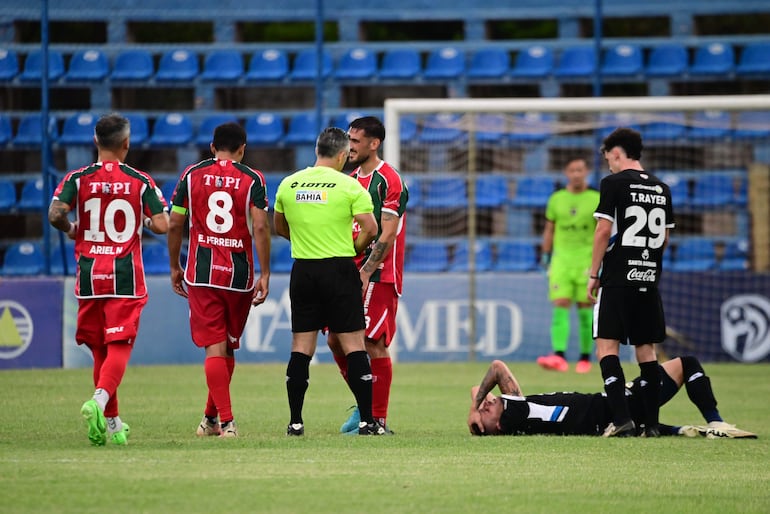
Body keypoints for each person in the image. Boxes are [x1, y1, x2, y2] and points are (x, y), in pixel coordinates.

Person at [48, 113, 169, 446]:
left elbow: (55, 214)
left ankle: (113, 424)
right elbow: (163, 223)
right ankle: (99, 402)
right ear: (127, 144)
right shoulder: (139, 180)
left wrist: (75, 230)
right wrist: (140, 223)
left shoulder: (78, 177)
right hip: (124, 275)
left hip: (89, 274)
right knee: (120, 344)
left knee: (99, 347)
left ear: (95, 142)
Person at [274, 126, 386, 436]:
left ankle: (295, 423)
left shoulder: (289, 184)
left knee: (301, 347)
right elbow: (371, 227)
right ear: (340, 155)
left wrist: (304, 238)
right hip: (339, 269)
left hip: (304, 271)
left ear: (316, 151)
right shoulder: (349, 187)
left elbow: (280, 226)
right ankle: (367, 421)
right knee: (353, 345)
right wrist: (354, 248)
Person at [167, 122, 271, 438]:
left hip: (201, 273)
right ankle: (215, 420)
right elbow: (261, 228)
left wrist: (174, 265)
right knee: (225, 348)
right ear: (243, 149)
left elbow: (174, 224)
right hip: (238, 276)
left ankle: (221, 422)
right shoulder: (253, 178)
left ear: (212, 147)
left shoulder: (191, 175)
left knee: (217, 349)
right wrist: (265, 272)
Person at [587, 127, 675, 438]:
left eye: (608, 159)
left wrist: (593, 273)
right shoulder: (662, 189)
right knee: (646, 350)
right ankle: (650, 425)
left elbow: (602, 231)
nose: (608, 165)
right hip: (648, 278)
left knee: (606, 345)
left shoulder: (612, 183)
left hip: (618, 277)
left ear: (616, 153)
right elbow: (664, 237)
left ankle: (622, 419)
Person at [326, 116, 408, 434]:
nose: (349, 147)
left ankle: (378, 420)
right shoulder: (348, 180)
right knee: (335, 339)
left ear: (374, 144)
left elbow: (387, 234)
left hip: (378, 272)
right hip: (351, 270)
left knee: (372, 342)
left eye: (356, 141)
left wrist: (366, 270)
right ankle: (365, 407)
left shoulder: (389, 180)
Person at [467, 358, 757, 438]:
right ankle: (717, 423)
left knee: (652, 419)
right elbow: (496, 368)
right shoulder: (514, 414)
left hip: (612, 409)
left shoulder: (518, 413)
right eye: (489, 409)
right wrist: (473, 409)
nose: (489, 402)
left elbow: (481, 391)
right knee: (688, 364)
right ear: (500, 425)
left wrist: (478, 411)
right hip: (618, 406)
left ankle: (675, 429)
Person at [536, 158, 599, 374]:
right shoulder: (557, 199)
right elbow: (549, 229)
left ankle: (585, 358)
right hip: (561, 260)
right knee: (560, 304)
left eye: (580, 170)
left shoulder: (596, 198)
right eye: (572, 170)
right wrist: (546, 254)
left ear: (586, 172)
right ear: (566, 173)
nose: (576, 174)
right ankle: (559, 356)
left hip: (586, 260)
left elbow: (602, 231)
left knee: (584, 309)